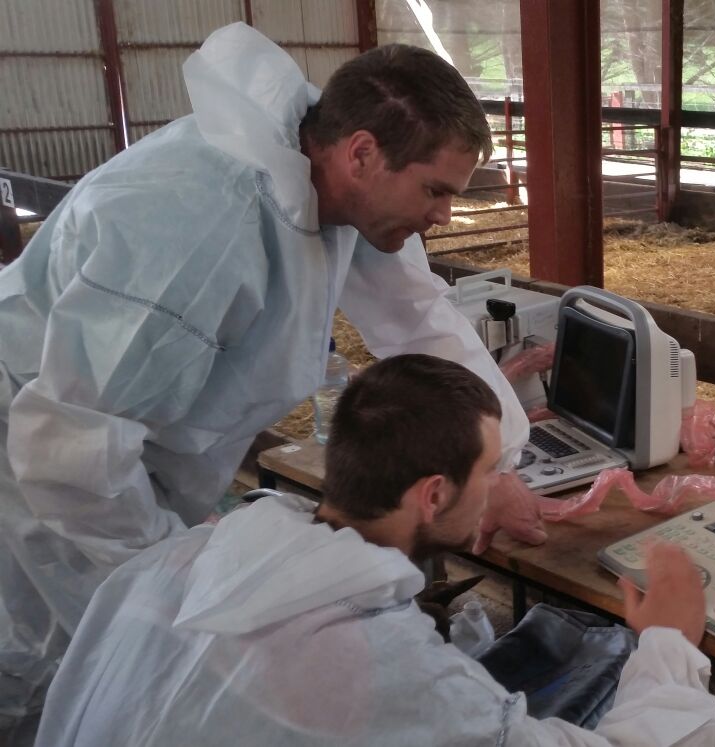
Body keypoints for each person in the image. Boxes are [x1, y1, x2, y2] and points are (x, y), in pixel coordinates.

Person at [0, 23, 546, 739]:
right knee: (60, 680)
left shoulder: (333, 180)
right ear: (361, 154)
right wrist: (182, 575)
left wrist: (496, 460)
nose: (442, 217)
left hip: (136, 476)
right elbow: (69, 452)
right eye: (435, 192)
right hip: (36, 494)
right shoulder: (199, 226)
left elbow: (416, 315)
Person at [35, 354, 715, 746]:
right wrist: (667, 646)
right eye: (490, 474)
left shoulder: (179, 560)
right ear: (432, 494)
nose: (495, 492)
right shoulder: (385, 667)